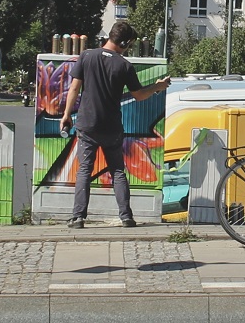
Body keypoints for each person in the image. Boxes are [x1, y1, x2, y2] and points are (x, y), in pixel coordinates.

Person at [58, 21, 168, 228]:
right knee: (117, 171)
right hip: (112, 127)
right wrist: (158, 86)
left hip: (87, 125)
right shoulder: (124, 65)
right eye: (129, 45)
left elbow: (74, 89)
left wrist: (66, 115)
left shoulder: (87, 56)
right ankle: (126, 216)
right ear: (124, 43)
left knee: (84, 171)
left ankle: (78, 217)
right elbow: (139, 95)